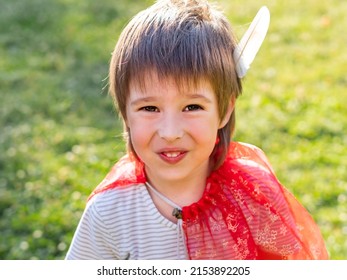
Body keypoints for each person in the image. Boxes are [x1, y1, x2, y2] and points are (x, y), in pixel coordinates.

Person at [65, 0, 328, 260]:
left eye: (191, 107)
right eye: (149, 109)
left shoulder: (254, 195)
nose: (170, 132)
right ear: (125, 112)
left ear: (224, 110)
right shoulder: (109, 212)